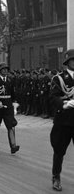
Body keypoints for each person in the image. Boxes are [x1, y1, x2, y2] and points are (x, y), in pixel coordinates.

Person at [49, 49, 74, 192]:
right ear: (67, 62)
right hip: (64, 120)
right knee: (59, 150)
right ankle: (56, 176)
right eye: (73, 60)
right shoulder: (58, 79)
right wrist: (65, 104)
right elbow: (52, 97)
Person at [0, 62, 20, 154]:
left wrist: (14, 106)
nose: (5, 70)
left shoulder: (10, 80)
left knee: (10, 126)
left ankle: (13, 146)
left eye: (6, 69)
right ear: (0, 71)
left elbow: (14, 95)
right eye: (3, 69)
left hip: (8, 106)